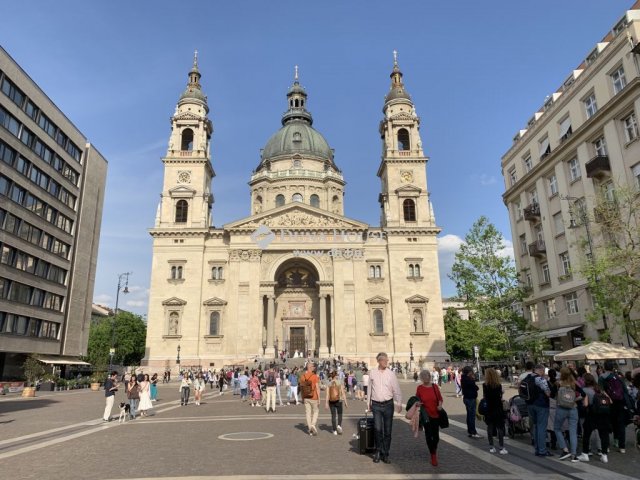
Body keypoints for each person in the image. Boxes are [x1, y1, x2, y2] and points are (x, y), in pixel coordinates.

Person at [367, 352, 403, 464]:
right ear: (379, 361)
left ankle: (385, 453)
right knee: (378, 429)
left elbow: (396, 389)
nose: (387, 362)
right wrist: (368, 403)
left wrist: (399, 402)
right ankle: (378, 451)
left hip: (388, 405)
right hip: (376, 405)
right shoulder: (372, 373)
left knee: (388, 431)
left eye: (387, 360)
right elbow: (369, 389)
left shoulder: (391, 374)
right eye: (385, 360)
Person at [599, 360, 630, 453]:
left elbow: (600, 390)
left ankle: (607, 446)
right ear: (613, 367)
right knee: (621, 424)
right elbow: (625, 391)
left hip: (608, 403)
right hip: (620, 403)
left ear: (604, 367)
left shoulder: (602, 377)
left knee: (608, 424)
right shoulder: (618, 377)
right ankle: (622, 447)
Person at [554, 367, 583, 462]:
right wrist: (573, 400)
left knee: (557, 428)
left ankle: (565, 449)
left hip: (561, 408)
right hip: (573, 408)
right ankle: (574, 455)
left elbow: (553, 395)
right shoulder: (574, 384)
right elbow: (583, 394)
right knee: (573, 431)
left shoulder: (558, 383)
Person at [415, 369, 443, 466]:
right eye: (423, 377)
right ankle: (433, 455)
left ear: (429, 377)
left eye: (427, 376)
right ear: (421, 378)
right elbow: (416, 400)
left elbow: (440, 398)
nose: (426, 378)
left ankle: (434, 448)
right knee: (428, 434)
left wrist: (440, 405)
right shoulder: (419, 388)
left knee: (436, 436)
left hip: (435, 414)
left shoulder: (435, 387)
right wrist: (417, 403)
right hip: (425, 415)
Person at [581, 373, 610, 463]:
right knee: (604, 435)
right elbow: (610, 400)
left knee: (586, 434)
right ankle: (604, 455)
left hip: (592, 414)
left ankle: (585, 454)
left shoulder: (584, 390)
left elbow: (585, 404)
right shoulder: (599, 389)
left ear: (585, 381)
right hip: (603, 415)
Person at [528, 364, 553, 457]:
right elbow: (548, 393)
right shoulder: (540, 379)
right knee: (542, 427)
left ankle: (537, 449)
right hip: (541, 405)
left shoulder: (528, 377)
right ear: (541, 370)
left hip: (530, 404)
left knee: (535, 426)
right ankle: (542, 450)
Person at [482, 368, 507, 455]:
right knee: (500, 427)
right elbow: (500, 397)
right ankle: (501, 446)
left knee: (490, 427)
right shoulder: (498, 385)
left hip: (489, 408)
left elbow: (485, 396)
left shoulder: (485, 385)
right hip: (498, 407)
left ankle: (491, 446)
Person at [324, 370, 348, 435]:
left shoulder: (328, 383)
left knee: (333, 416)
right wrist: (345, 402)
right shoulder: (339, 382)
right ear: (336, 375)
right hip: (339, 400)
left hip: (331, 401)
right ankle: (339, 425)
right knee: (340, 414)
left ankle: (334, 430)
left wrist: (326, 403)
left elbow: (327, 394)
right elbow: (343, 393)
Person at [300, 361, 320, 436]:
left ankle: (310, 428)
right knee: (316, 411)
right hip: (313, 396)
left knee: (308, 413)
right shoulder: (315, 376)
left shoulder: (302, 376)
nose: (314, 368)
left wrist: (302, 397)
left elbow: (301, 388)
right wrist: (319, 398)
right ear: (310, 368)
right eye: (313, 367)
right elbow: (317, 388)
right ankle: (313, 425)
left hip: (306, 397)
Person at [461, 366, 481, 438]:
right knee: (471, 416)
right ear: (469, 372)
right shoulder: (468, 379)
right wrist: (472, 379)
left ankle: (470, 431)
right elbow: (476, 387)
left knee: (469, 415)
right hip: (470, 398)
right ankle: (473, 432)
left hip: (467, 398)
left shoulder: (463, 378)